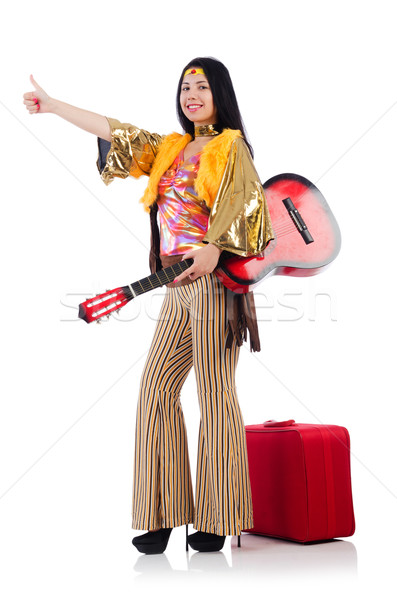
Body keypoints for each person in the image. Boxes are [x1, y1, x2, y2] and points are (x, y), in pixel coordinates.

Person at [23, 57, 274, 554]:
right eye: (186, 87)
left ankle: (218, 517)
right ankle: (163, 513)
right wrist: (53, 107)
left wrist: (216, 247)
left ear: (220, 94)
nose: (192, 94)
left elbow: (249, 207)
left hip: (214, 284)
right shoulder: (172, 147)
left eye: (202, 86)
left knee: (215, 392)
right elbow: (118, 132)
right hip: (175, 285)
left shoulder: (232, 148)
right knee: (156, 390)